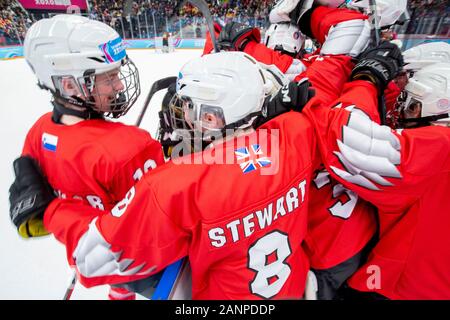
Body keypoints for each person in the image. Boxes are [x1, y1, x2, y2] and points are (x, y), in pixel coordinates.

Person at [11, 51, 320, 299]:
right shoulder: (295, 135)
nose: (183, 116)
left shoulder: (172, 185)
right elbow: (240, 155)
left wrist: (52, 210)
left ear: (211, 117)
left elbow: (95, 258)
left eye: (189, 107)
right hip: (292, 289)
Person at [213, 3, 379, 299]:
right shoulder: (336, 75)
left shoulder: (295, 93)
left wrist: (242, 47)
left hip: (321, 246)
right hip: (351, 228)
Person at [9, 14, 165, 300]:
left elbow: (42, 205)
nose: (119, 86)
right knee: (122, 285)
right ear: (69, 84)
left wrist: (57, 217)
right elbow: (159, 227)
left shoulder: (39, 131)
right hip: (133, 264)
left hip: (87, 256)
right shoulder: (132, 147)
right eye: (109, 77)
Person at [309, 41, 450, 299]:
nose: (402, 111)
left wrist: (366, 80)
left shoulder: (441, 145)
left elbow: (347, 142)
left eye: (411, 104)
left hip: (398, 288)